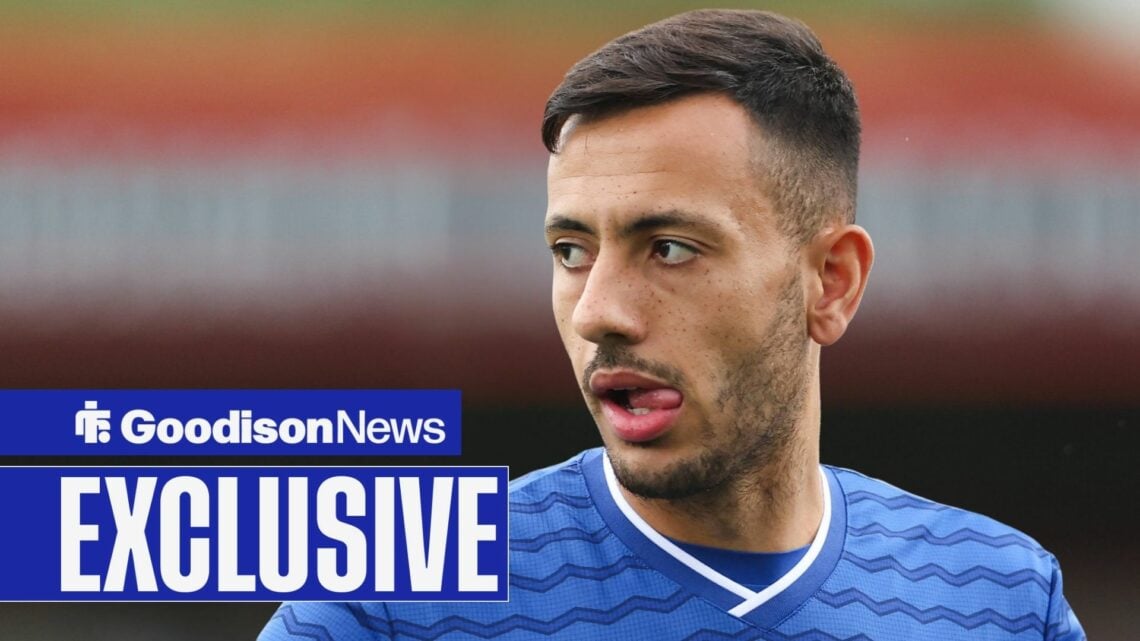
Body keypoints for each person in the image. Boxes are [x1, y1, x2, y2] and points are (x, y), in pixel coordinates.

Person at [260, 9, 1084, 640]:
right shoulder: (391, 602)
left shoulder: (1001, 598)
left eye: (671, 247)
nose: (598, 312)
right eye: (572, 250)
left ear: (830, 281)